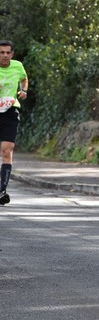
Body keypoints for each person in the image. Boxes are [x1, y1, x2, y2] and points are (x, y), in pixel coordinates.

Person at [0, 40, 28, 205]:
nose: (4, 55)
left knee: (7, 151)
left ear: (12, 54)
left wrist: (23, 90)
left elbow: (24, 79)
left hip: (10, 111)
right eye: (1, 52)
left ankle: (2, 190)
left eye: (7, 52)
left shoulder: (17, 66)